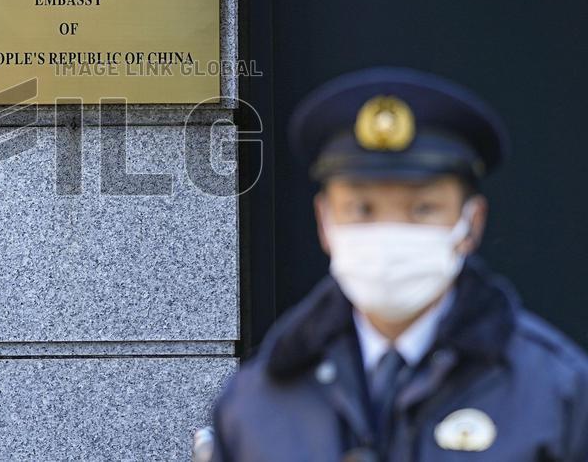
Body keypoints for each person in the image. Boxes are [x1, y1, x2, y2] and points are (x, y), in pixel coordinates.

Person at [210, 67, 588, 461]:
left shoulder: (555, 391)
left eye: (422, 209)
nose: (389, 232)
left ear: (471, 223)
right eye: (362, 209)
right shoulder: (257, 402)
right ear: (324, 220)